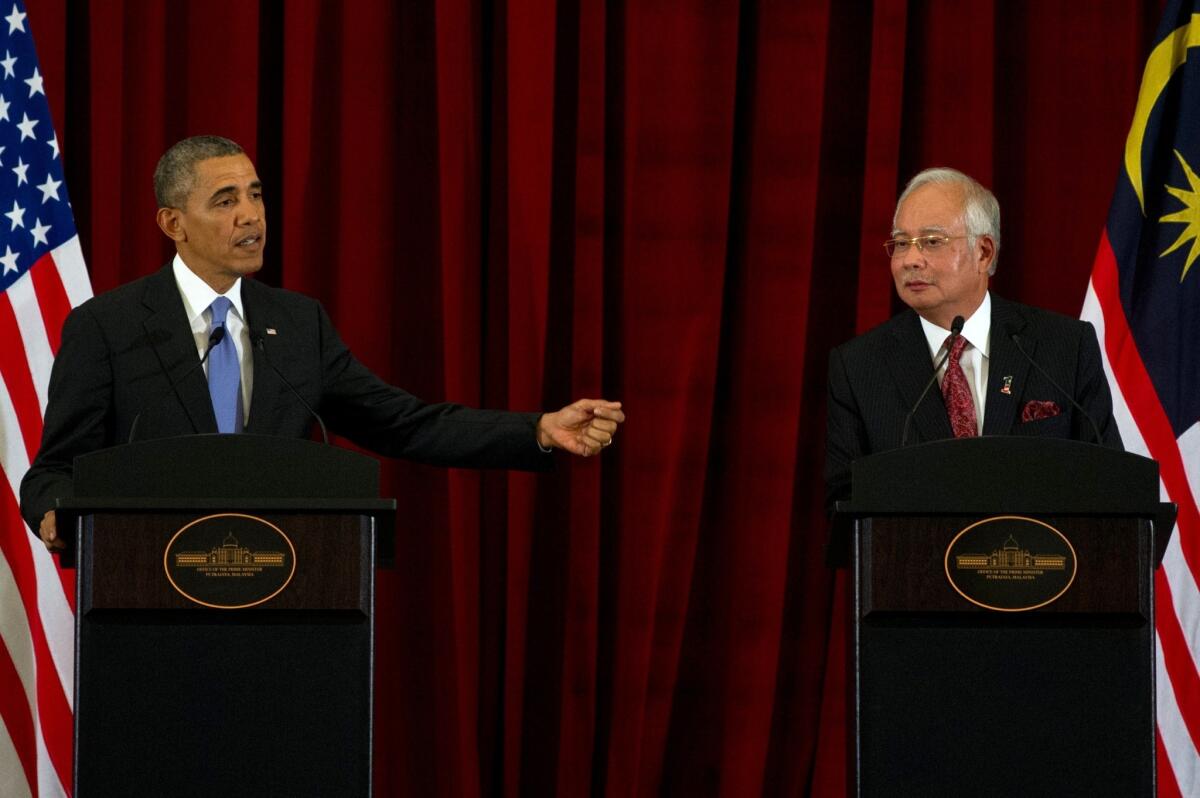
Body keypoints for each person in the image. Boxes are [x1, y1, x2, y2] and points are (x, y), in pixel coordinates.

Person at [21, 135, 625, 549]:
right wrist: (56, 509)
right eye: (225, 201)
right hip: (149, 603)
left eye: (256, 194)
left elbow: (405, 423)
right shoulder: (108, 325)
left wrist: (537, 430)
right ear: (172, 223)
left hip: (280, 594)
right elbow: (52, 469)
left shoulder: (298, 323)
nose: (251, 216)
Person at [824, 167, 1120, 508]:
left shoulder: (1065, 346)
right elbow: (844, 507)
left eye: (932, 242)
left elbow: (1108, 483)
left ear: (984, 252)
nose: (910, 260)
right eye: (902, 243)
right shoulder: (859, 366)